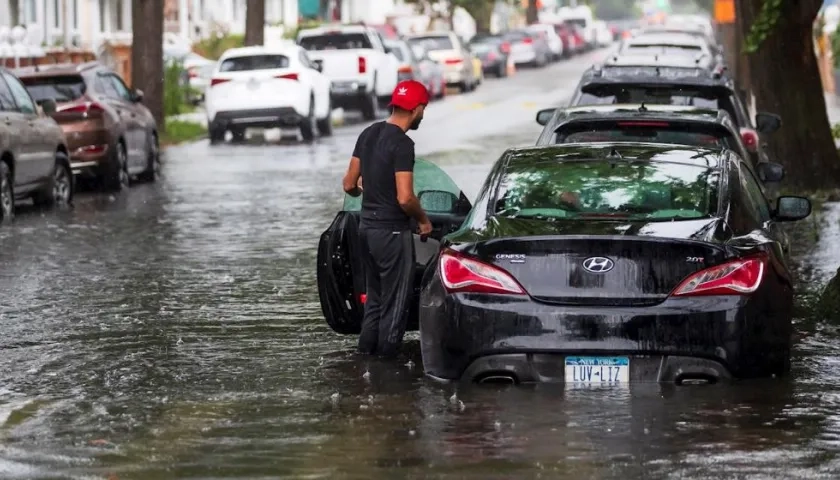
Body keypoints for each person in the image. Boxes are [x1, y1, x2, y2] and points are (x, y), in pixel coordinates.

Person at [341, 80, 432, 357]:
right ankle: (387, 372)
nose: (423, 114)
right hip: (391, 233)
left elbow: (348, 184)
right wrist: (424, 220)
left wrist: (364, 188)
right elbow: (405, 198)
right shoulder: (403, 144)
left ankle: (365, 361)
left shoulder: (368, 133)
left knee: (375, 302)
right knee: (395, 305)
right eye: (423, 109)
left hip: (366, 229)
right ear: (416, 109)